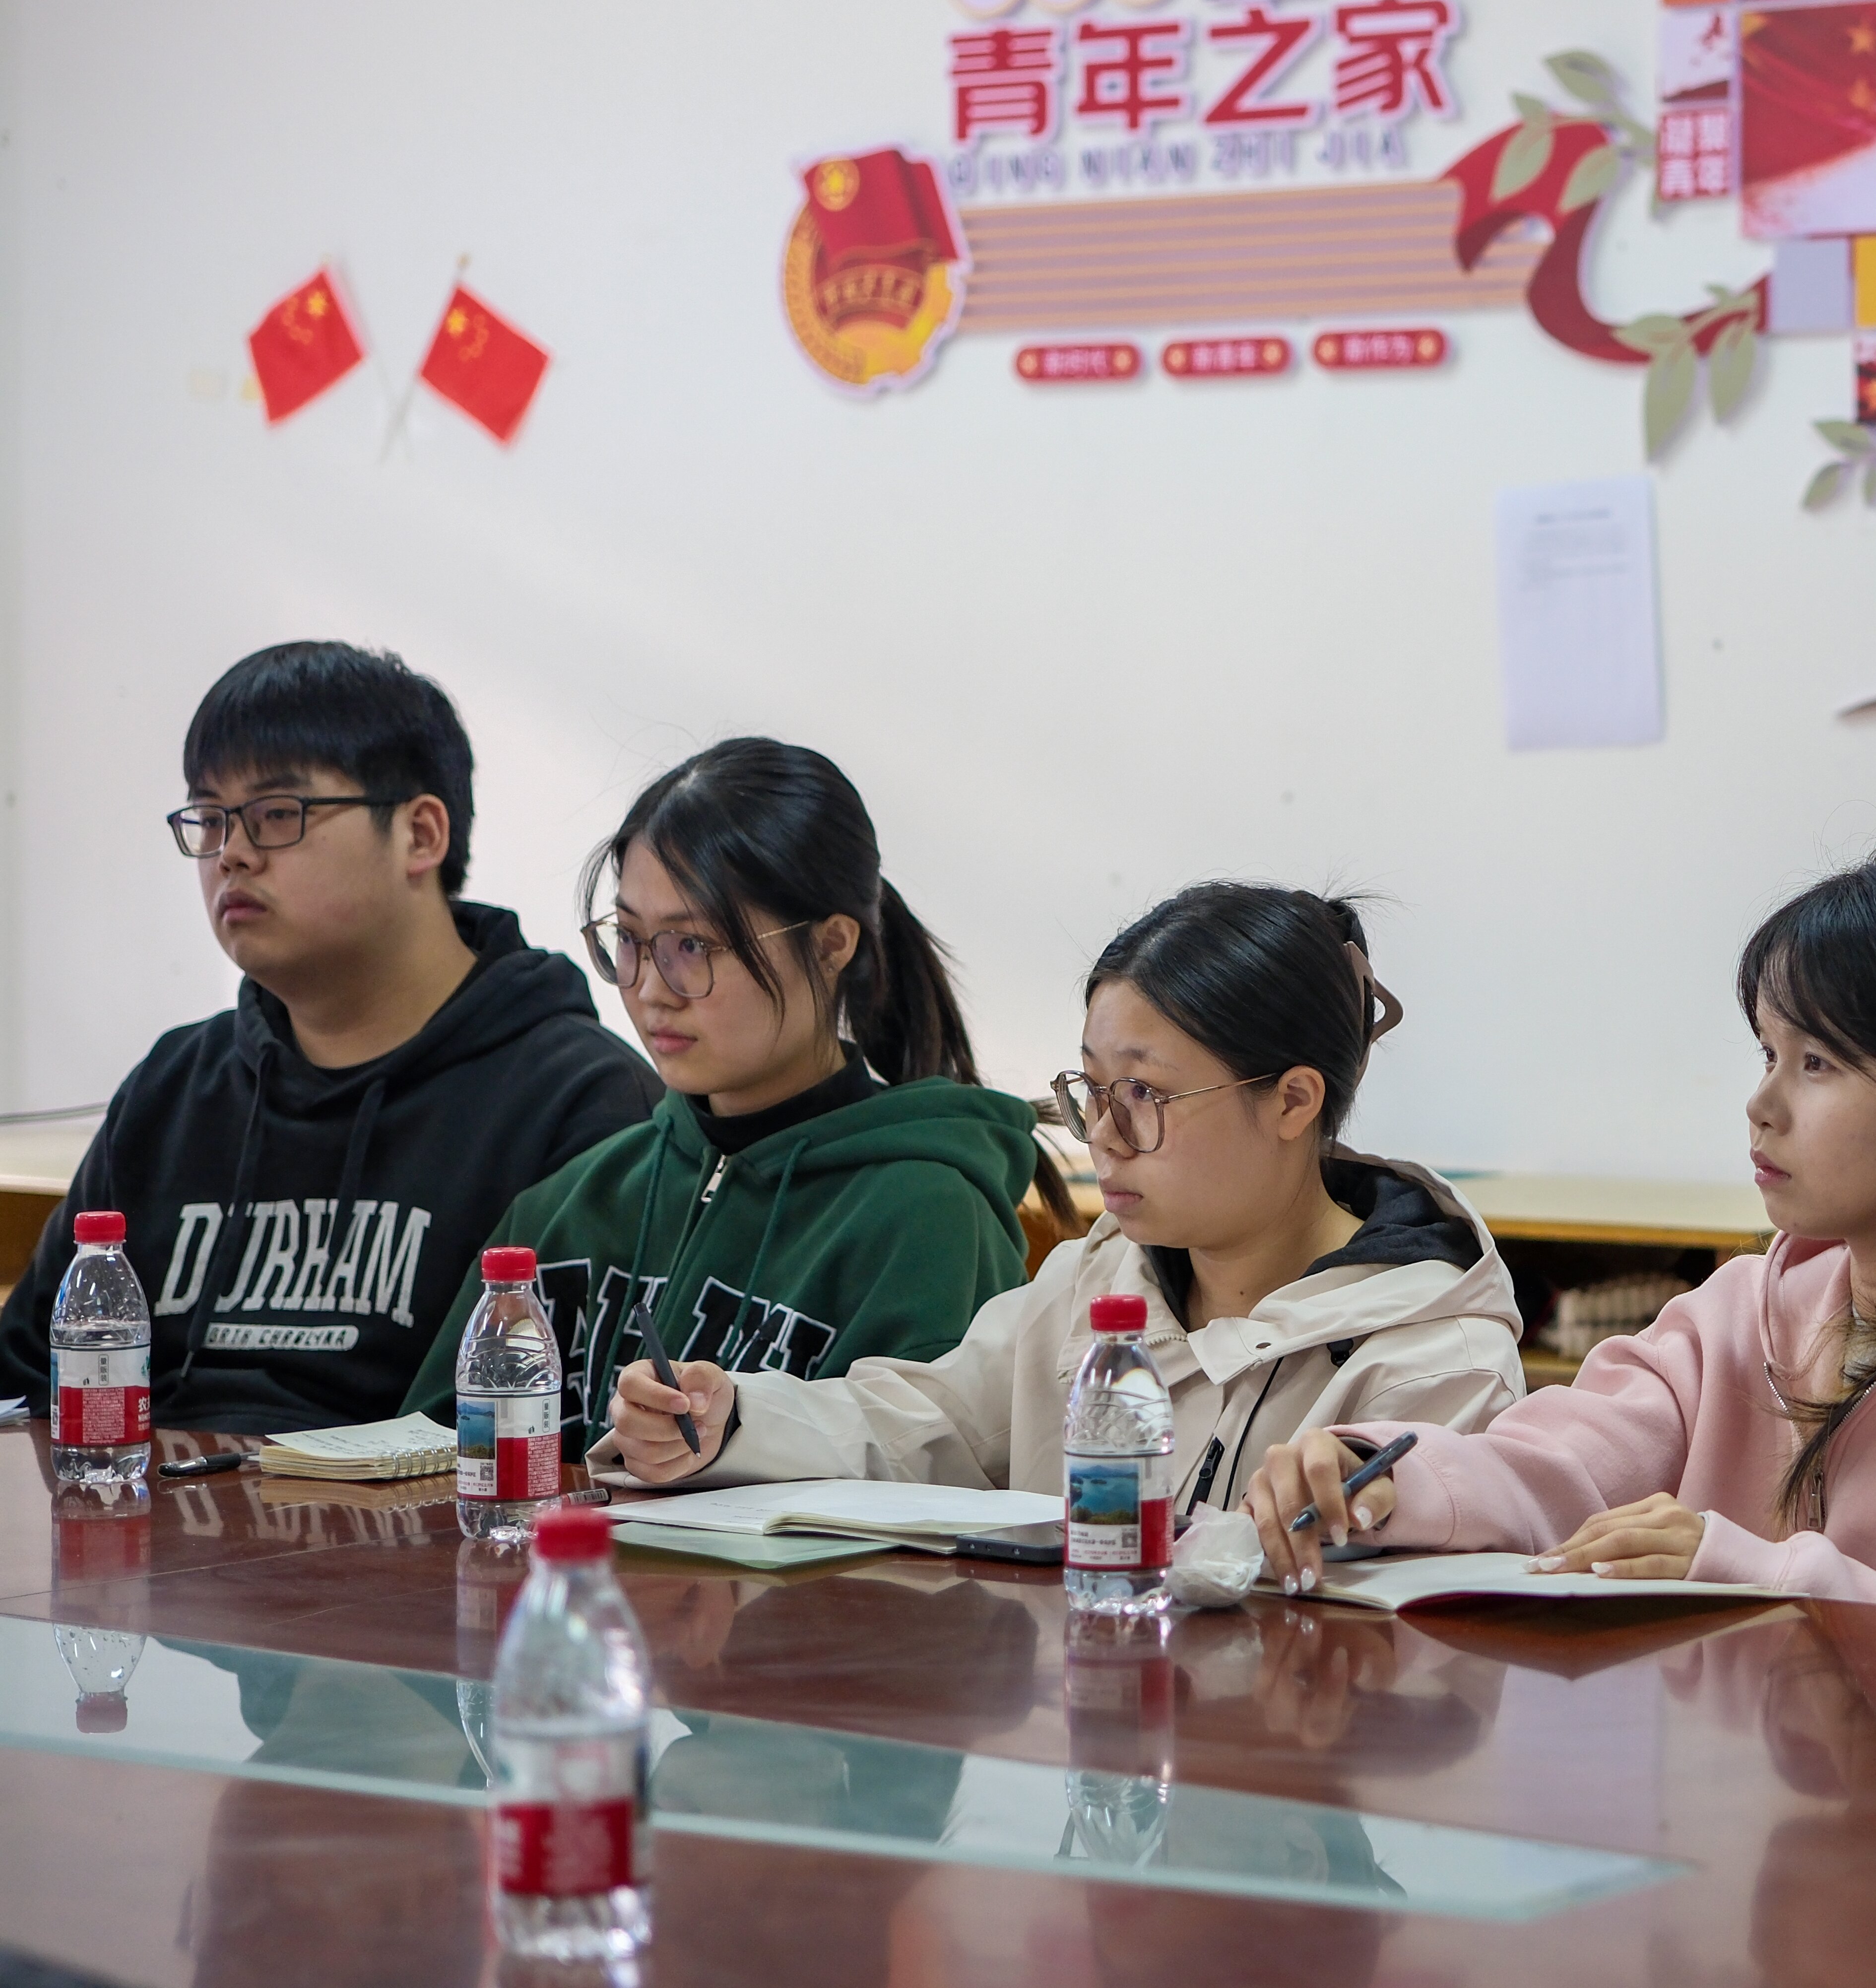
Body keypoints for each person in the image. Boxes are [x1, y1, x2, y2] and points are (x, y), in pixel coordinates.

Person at [1243, 846, 1876, 1608]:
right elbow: (1557, 1461)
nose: (1761, 1106)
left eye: (1818, 1064)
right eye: (1767, 1053)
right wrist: (1381, 1475)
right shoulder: (1741, 1317)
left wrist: (1741, 1566)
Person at [603, 882, 1524, 1512]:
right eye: (1092, 1090)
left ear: (1292, 1100)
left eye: (1146, 1094)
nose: (1103, 1137)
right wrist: (734, 1420)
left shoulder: (1432, 1363)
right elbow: (925, 1423)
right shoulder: (1097, 1280)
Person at [0, 643, 658, 1432]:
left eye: (277, 814)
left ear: (420, 834)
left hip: (420, 1510)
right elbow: (24, 1380)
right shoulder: (172, 1086)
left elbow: (578, 1434)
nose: (232, 853)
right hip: (146, 1497)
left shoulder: (579, 1101)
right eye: (210, 819)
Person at [409, 737, 1051, 1448]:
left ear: (832, 944)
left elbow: (937, 1486)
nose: (650, 990)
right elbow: (423, 1465)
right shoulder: (568, 1206)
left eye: (692, 946)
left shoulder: (929, 1220)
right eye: (630, 938)